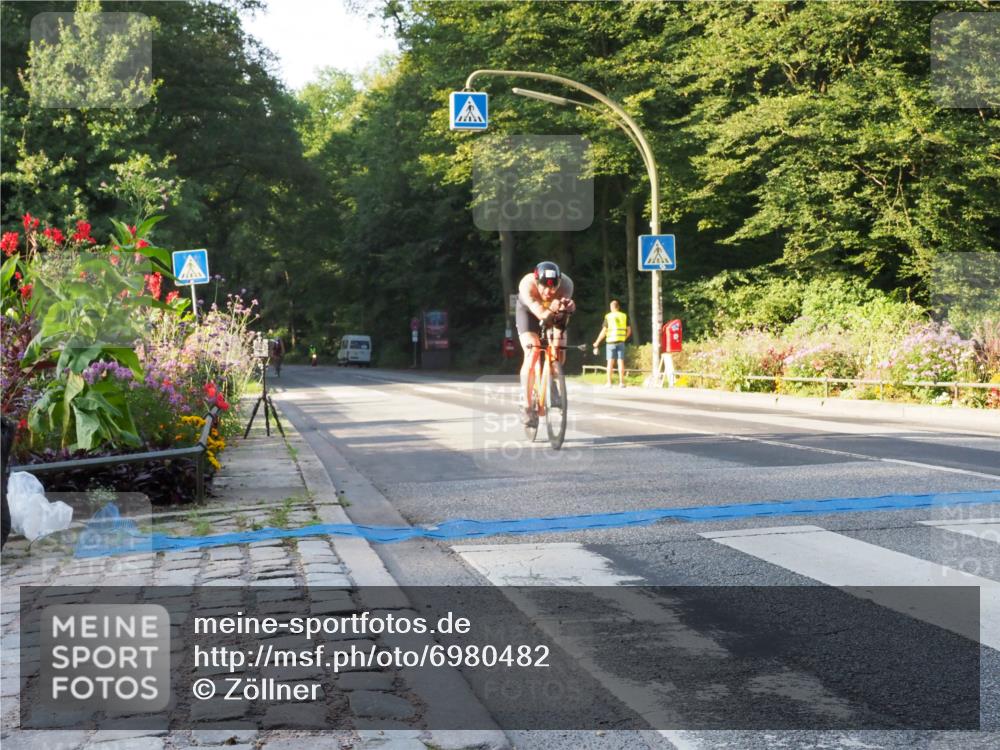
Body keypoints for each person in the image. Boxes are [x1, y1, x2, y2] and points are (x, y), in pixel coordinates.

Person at [516, 261, 576, 426]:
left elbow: (561, 321)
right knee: (533, 350)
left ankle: (552, 382)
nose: (549, 292)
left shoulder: (567, 285)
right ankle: (527, 405)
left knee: (559, 348)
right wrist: (552, 309)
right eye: (544, 287)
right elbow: (541, 315)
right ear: (537, 282)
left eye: (553, 287)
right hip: (529, 313)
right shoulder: (527, 285)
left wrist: (567, 310)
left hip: (553, 313)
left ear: (559, 283)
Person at [592, 300, 631, 388]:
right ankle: (622, 383)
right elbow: (629, 330)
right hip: (621, 342)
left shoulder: (608, 316)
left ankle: (609, 383)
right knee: (620, 361)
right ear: (618, 307)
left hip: (610, 342)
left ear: (611, 307)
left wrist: (597, 342)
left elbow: (604, 331)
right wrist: (624, 338)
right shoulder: (623, 316)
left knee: (610, 362)